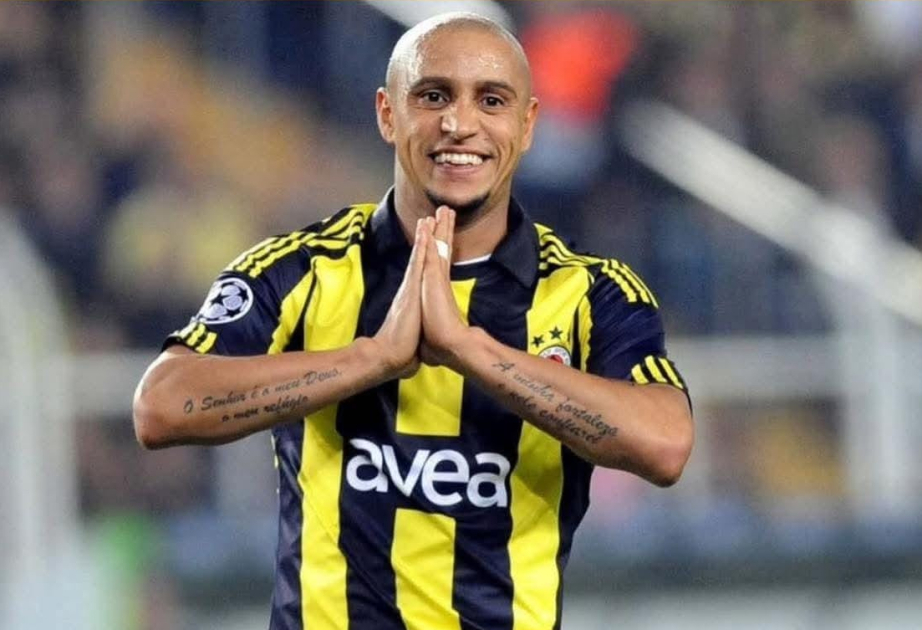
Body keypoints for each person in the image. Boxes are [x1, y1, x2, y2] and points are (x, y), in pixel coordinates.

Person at [133, 12, 693, 630]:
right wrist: (372, 358)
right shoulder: (301, 270)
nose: (459, 123)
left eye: (491, 100)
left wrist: (469, 349)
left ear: (528, 124)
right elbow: (162, 406)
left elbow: (666, 444)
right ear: (387, 113)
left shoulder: (590, 292)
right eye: (433, 96)